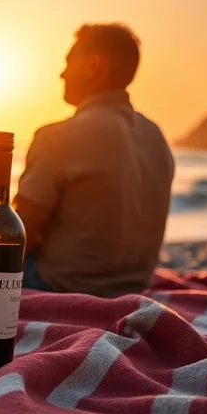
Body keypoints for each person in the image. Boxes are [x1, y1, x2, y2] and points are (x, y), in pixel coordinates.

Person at [14, 24, 174, 296]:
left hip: (64, 286)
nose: (61, 73)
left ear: (93, 66)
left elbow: (18, 237)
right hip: (135, 287)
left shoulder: (57, 137)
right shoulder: (156, 135)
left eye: (68, 61)